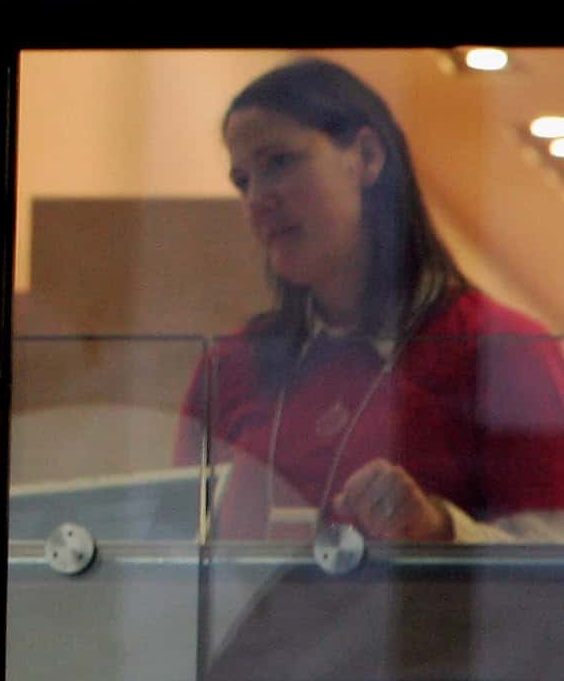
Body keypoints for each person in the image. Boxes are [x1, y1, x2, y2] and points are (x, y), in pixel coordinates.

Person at [177, 57, 564, 545]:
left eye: (279, 161)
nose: (257, 198)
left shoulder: (504, 348)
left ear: (366, 157)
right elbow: (180, 553)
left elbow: (552, 561)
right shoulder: (229, 366)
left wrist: (441, 530)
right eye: (243, 180)